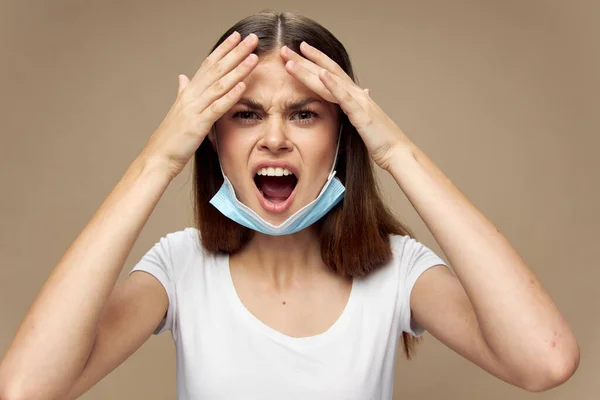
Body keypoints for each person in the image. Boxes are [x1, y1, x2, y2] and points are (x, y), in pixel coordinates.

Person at [0, 9, 579, 400]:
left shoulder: (397, 271)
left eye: (304, 114)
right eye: (245, 114)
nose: (274, 138)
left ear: (341, 133)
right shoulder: (177, 268)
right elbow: (24, 387)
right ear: (212, 135)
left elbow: (546, 361)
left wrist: (395, 149)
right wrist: (157, 160)